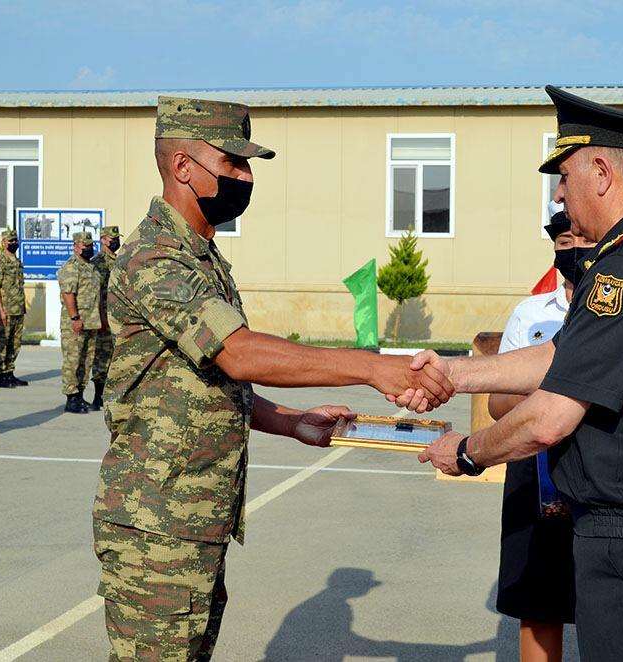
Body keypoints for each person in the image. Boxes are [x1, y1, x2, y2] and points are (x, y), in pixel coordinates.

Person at [92, 95, 453, 662]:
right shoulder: (153, 257)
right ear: (184, 166)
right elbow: (239, 354)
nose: (246, 176)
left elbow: (213, 384)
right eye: (233, 163)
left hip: (194, 520)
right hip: (156, 525)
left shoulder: (203, 259)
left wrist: (290, 423)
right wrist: (371, 367)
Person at [410, 85, 623, 662]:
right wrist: (456, 373)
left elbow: (551, 417)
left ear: (601, 172)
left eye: (564, 177)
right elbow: (563, 357)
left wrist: (467, 451)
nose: (560, 194)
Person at [489, 205, 596, 662]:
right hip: (535, 475)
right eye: (563, 242)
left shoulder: (622, 307)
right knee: (538, 603)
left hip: (599, 473)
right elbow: (497, 403)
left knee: (603, 602)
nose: (572, 249)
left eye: (581, 240)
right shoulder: (531, 312)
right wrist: (548, 395)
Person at [58, 232, 106, 414]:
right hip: (76, 323)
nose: (88, 249)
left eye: (90, 245)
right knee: (73, 360)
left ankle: (80, 395)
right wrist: (75, 318)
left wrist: (101, 318)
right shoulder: (71, 267)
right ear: (76, 246)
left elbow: (98, 296)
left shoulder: (92, 268)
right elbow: (68, 294)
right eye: (85, 246)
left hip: (92, 321)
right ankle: (71, 398)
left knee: (86, 360)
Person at [0, 229, 28, 388]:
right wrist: (0, 310)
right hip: (6, 309)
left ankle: (10, 372)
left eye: (15, 240)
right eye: (10, 241)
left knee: (15, 343)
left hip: (18, 309)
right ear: (3, 243)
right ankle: (2, 375)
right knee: (2, 342)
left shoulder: (18, 262)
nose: (13, 243)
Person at [89, 225, 121, 410]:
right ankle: (97, 396)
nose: (115, 241)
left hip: (118, 316)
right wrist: (101, 317)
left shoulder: (118, 260)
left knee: (116, 356)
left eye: (116, 238)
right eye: (111, 238)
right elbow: (96, 294)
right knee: (102, 355)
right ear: (102, 239)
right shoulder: (97, 263)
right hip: (104, 316)